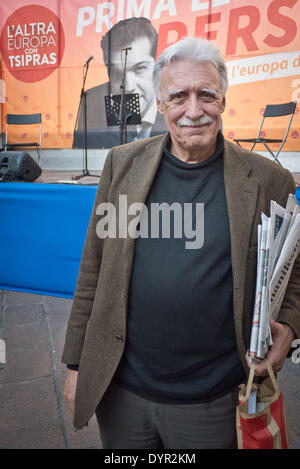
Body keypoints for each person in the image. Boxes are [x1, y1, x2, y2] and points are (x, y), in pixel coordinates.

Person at [63, 37, 300, 449]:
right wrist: (76, 365)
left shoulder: (268, 182)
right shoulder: (122, 165)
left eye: (206, 94)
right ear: (159, 102)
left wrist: (291, 327)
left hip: (213, 401)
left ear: (223, 99)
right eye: (179, 96)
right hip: (122, 393)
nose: (194, 110)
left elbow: (293, 273)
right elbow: (93, 272)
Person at [73, 17, 167, 148]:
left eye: (140, 69)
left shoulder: (175, 101)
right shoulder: (92, 102)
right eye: (117, 73)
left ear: (156, 68)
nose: (128, 86)